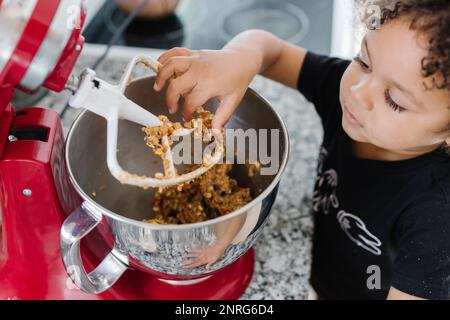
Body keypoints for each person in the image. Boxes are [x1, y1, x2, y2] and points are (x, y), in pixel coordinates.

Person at [153, 0, 450, 299]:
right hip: (323, 272)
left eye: (395, 101)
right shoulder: (346, 98)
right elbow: (273, 51)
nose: (359, 93)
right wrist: (237, 57)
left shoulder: (437, 219)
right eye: (363, 61)